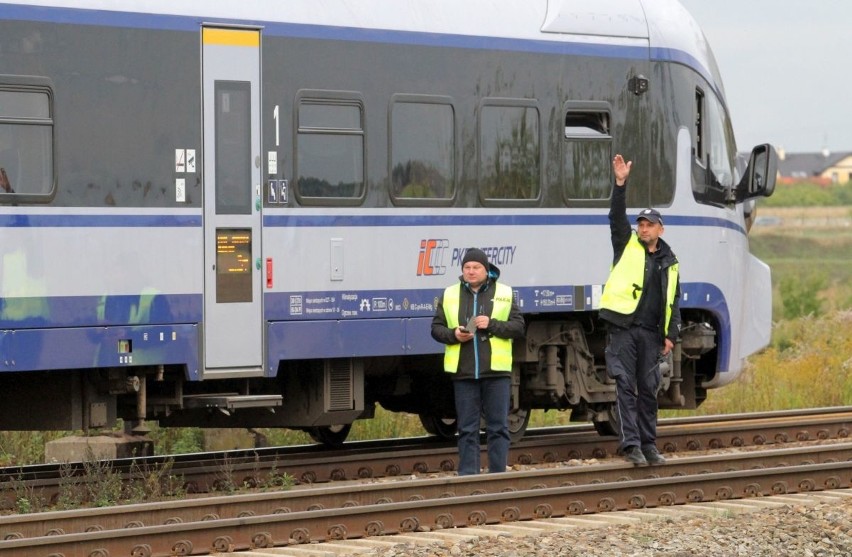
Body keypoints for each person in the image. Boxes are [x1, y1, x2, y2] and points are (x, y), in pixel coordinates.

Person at [600, 154, 681, 466]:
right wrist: (620, 184)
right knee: (625, 386)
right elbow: (615, 218)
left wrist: (671, 334)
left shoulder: (670, 262)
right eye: (641, 224)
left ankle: (649, 445)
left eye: (649, 225)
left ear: (660, 229)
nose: (643, 229)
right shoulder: (626, 244)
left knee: (649, 389)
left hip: (651, 334)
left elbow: (674, 301)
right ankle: (630, 445)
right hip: (623, 329)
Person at [431, 247, 525, 475]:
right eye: (467, 268)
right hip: (464, 372)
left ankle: (497, 475)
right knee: (466, 429)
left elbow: (519, 327)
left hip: (496, 372)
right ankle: (468, 476)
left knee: (498, 428)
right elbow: (436, 329)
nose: (471, 272)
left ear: (486, 270)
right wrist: (454, 334)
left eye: (476, 267)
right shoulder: (450, 293)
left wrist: (491, 324)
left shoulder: (504, 292)